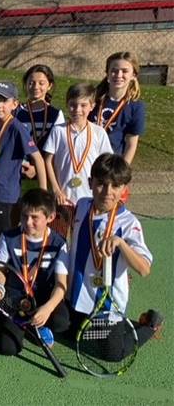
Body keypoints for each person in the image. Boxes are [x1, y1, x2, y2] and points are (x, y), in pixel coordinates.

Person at [67, 153, 163, 356]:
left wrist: (121, 243)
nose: (107, 192)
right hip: (76, 298)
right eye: (101, 184)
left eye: (116, 186)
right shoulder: (82, 206)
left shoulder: (129, 224)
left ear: (124, 189)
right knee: (63, 329)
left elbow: (144, 269)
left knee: (112, 353)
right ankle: (120, 326)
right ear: (90, 182)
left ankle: (150, 325)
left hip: (107, 306)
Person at [0, 188, 70, 356]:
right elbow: (1, 270)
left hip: (43, 297)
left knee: (61, 322)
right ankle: (26, 326)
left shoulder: (59, 244)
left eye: (34, 217)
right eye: (24, 216)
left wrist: (48, 308)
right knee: (8, 348)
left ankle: (36, 324)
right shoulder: (8, 237)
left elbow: (61, 285)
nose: (28, 222)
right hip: (15, 298)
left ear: (50, 217)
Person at [0, 81, 47, 248]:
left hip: (5, 197)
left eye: (4, 101)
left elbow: (38, 158)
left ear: (14, 104)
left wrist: (42, 194)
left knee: (2, 241)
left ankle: (0, 265)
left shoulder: (17, 128)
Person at [44, 83, 112, 208]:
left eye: (83, 105)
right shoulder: (58, 131)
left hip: (90, 197)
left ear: (92, 106)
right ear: (67, 105)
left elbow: (106, 163)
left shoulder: (99, 132)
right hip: (63, 198)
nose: (77, 110)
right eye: (73, 105)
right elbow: (48, 161)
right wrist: (56, 189)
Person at [90, 51, 146, 165]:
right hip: (86, 159)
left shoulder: (136, 107)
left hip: (112, 165)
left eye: (124, 71)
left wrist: (122, 171)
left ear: (134, 75)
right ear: (107, 73)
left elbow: (131, 145)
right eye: (114, 71)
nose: (119, 75)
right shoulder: (92, 99)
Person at [15, 65, 65, 180]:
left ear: (49, 86)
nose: (36, 87)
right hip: (19, 173)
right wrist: (24, 165)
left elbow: (58, 148)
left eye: (41, 83)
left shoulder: (56, 114)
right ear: (25, 84)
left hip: (47, 175)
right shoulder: (16, 112)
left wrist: (38, 169)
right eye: (31, 83)